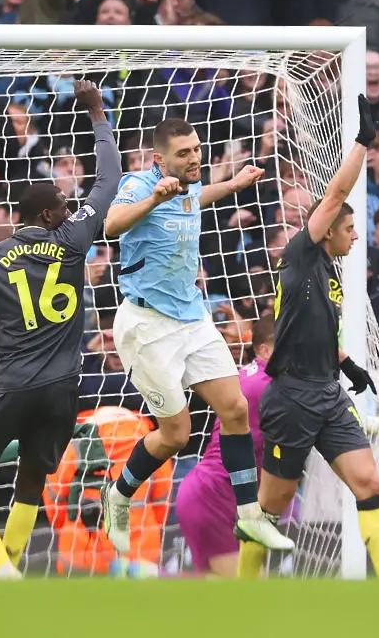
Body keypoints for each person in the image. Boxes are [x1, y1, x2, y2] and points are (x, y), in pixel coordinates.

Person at [0, 81, 121, 580]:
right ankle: (11, 570)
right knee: (32, 477)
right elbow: (110, 181)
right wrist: (96, 113)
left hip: (11, 383)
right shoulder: (72, 239)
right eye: (63, 203)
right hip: (62, 389)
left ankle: (0, 564)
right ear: (47, 215)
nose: (70, 207)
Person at [98, 115, 287, 555]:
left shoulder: (187, 185)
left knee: (235, 408)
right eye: (183, 154)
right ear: (158, 160)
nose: (194, 158)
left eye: (197, 149)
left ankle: (249, 515)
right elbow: (110, 225)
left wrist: (235, 183)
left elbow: (200, 195)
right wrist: (154, 199)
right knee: (176, 434)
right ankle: (119, 493)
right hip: (147, 326)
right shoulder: (139, 185)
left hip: (193, 316)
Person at [246, 95, 379, 581]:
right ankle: (240, 591)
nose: (356, 236)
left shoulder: (332, 273)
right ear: (326, 231)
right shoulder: (302, 255)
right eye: (349, 228)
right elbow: (336, 193)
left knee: (367, 481)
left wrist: (347, 365)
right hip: (293, 396)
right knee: (271, 505)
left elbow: (318, 329)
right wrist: (364, 142)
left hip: (327, 391)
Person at [174, 316, 274, 578]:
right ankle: (146, 577)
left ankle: (143, 575)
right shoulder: (266, 387)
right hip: (213, 497)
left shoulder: (254, 377)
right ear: (265, 350)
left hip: (219, 496)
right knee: (249, 591)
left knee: (221, 593)